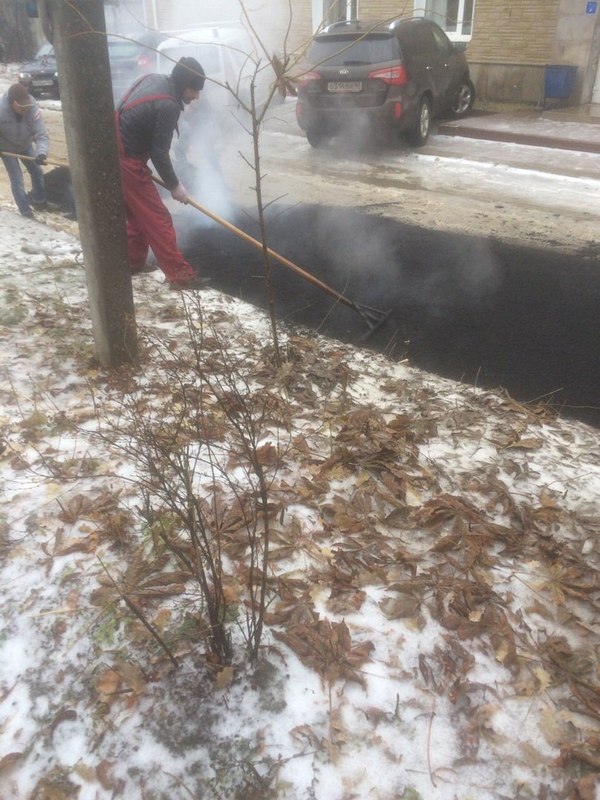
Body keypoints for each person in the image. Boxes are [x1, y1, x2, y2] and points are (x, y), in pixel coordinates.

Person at [116, 56, 208, 291]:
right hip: (127, 160)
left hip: (118, 151)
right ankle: (180, 275)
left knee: (138, 218)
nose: (195, 96)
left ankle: (131, 263)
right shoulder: (168, 105)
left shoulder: (154, 79)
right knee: (159, 219)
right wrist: (175, 186)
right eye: (194, 89)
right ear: (184, 83)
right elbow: (159, 153)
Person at [0, 83, 48, 218]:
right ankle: (25, 211)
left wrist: (42, 153)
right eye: (22, 107)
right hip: (7, 148)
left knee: (37, 171)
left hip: (25, 145)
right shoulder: (0, 110)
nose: (25, 110)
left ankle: (40, 201)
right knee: (17, 179)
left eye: (27, 106)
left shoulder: (33, 110)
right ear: (12, 103)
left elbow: (41, 134)